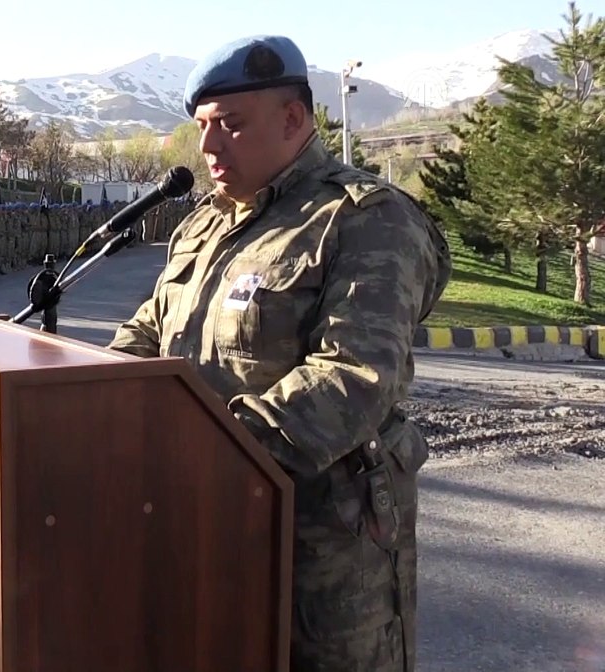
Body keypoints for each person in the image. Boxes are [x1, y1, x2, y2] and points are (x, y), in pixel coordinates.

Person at [108, 35, 452, 672]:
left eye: (232, 126)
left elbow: (354, 375)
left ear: (294, 119)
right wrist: (86, 402)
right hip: (203, 520)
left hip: (323, 546)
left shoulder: (365, 219)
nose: (209, 147)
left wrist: (208, 454)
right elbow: (149, 334)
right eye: (204, 127)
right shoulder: (202, 225)